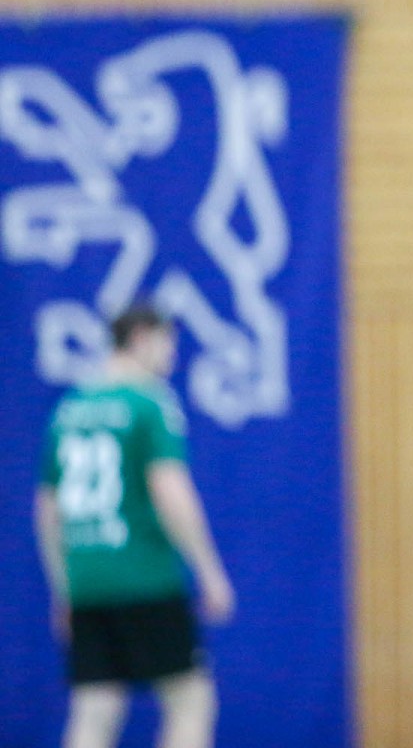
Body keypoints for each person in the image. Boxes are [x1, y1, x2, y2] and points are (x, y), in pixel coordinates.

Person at [33, 304, 235, 748]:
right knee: (190, 700)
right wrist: (208, 570)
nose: (172, 358)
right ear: (141, 338)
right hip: (145, 577)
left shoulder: (69, 409)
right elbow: (169, 488)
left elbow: (47, 509)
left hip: (87, 581)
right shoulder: (149, 401)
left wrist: (63, 587)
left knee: (94, 710)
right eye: (168, 345)